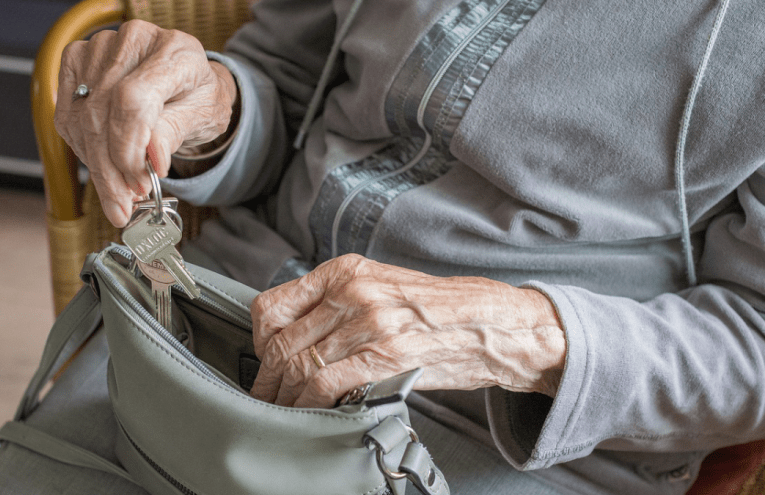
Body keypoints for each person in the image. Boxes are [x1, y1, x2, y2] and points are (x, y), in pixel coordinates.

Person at [54, 0, 765, 493]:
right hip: (218, 313)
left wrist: (503, 333)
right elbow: (290, 85)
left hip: (499, 433)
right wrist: (211, 111)